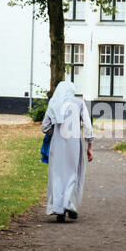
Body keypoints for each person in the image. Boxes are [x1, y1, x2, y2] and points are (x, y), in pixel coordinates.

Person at [41, 81, 94, 223]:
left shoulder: (54, 103)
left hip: (57, 144)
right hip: (74, 143)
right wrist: (89, 146)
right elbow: (88, 126)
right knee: (72, 173)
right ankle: (68, 204)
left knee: (57, 174)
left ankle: (59, 208)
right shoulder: (79, 103)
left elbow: (45, 127)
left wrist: (55, 132)